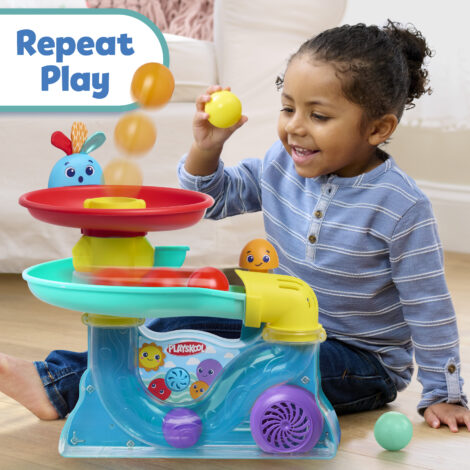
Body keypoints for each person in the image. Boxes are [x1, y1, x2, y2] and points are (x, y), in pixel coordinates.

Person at [1, 21, 469, 432]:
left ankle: (64, 391)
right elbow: (216, 198)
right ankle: (56, 379)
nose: (295, 127)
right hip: (278, 321)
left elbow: (428, 307)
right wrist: (208, 147)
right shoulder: (281, 165)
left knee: (236, 365)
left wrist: (444, 393)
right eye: (288, 108)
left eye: (319, 115)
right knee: (176, 324)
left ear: (378, 129)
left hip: (358, 361)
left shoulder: (401, 206)